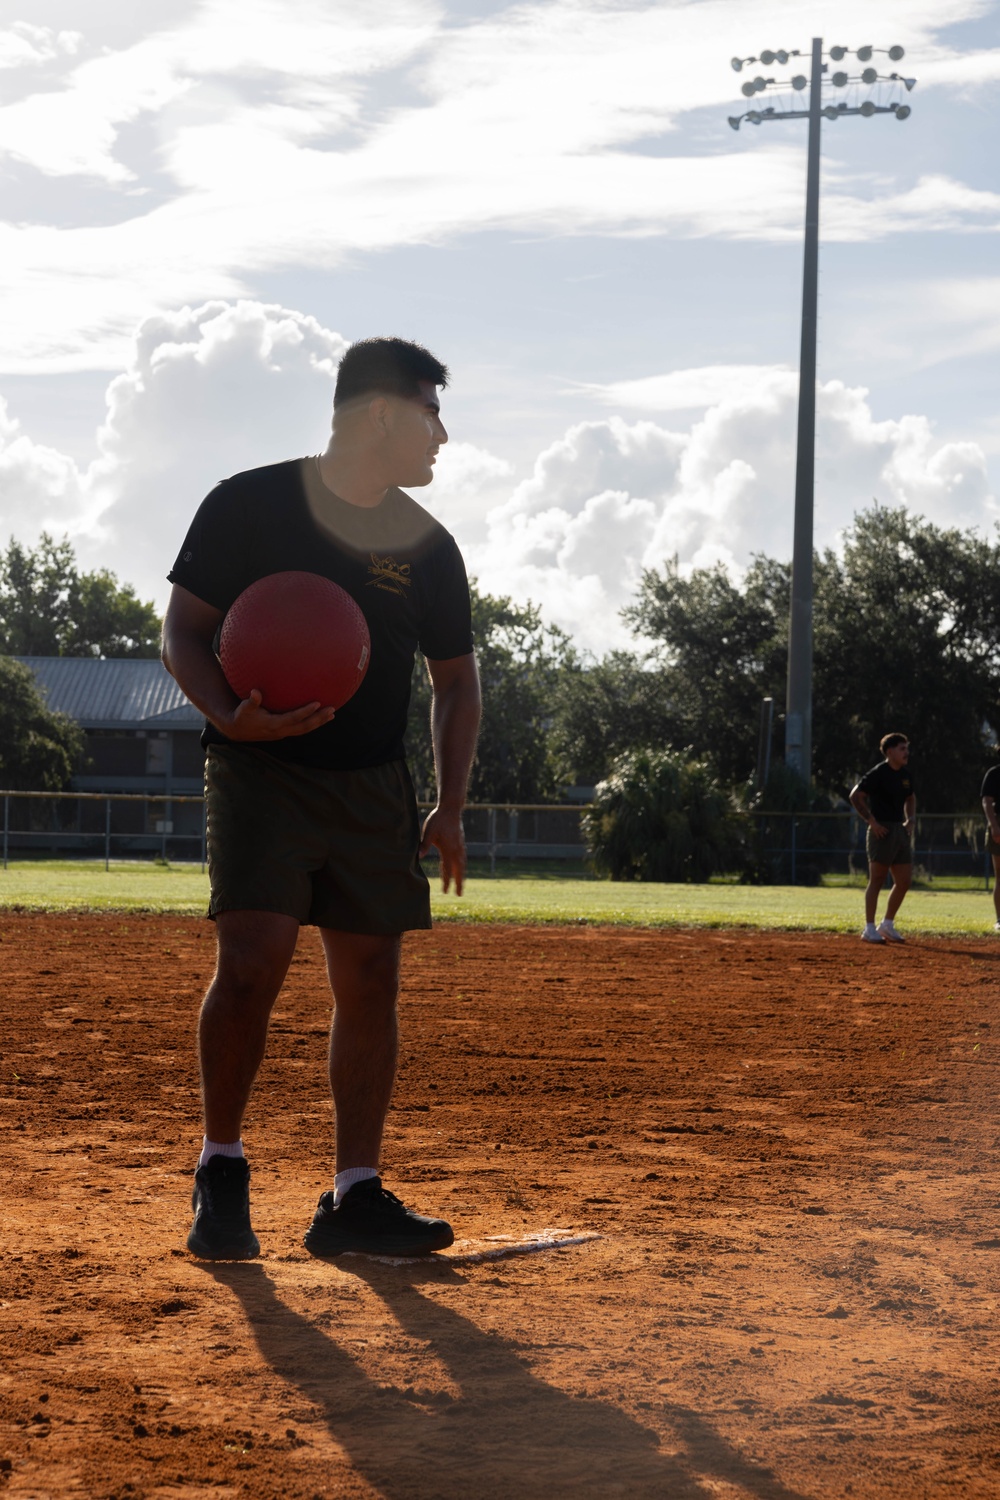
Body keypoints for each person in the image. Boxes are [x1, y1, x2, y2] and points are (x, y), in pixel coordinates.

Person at [161, 337, 481, 1261]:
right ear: (380, 413)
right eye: (430, 413)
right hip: (261, 769)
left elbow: (456, 682)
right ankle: (222, 1171)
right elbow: (183, 632)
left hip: (373, 783)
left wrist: (448, 804)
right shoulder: (249, 504)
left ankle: (354, 1196)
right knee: (253, 963)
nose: (443, 436)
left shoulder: (426, 544)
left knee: (371, 979)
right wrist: (229, 714)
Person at [849, 733, 916, 944]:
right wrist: (872, 822)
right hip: (882, 830)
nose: (906, 752)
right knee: (877, 879)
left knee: (904, 881)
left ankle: (887, 924)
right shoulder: (879, 773)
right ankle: (869, 928)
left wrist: (911, 819)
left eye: (906, 748)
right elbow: (855, 796)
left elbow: (911, 797)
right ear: (889, 752)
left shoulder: (905, 775)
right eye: (901, 748)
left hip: (899, 830)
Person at [981, 763, 1000, 933]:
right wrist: (994, 825)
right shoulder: (994, 773)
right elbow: (987, 801)